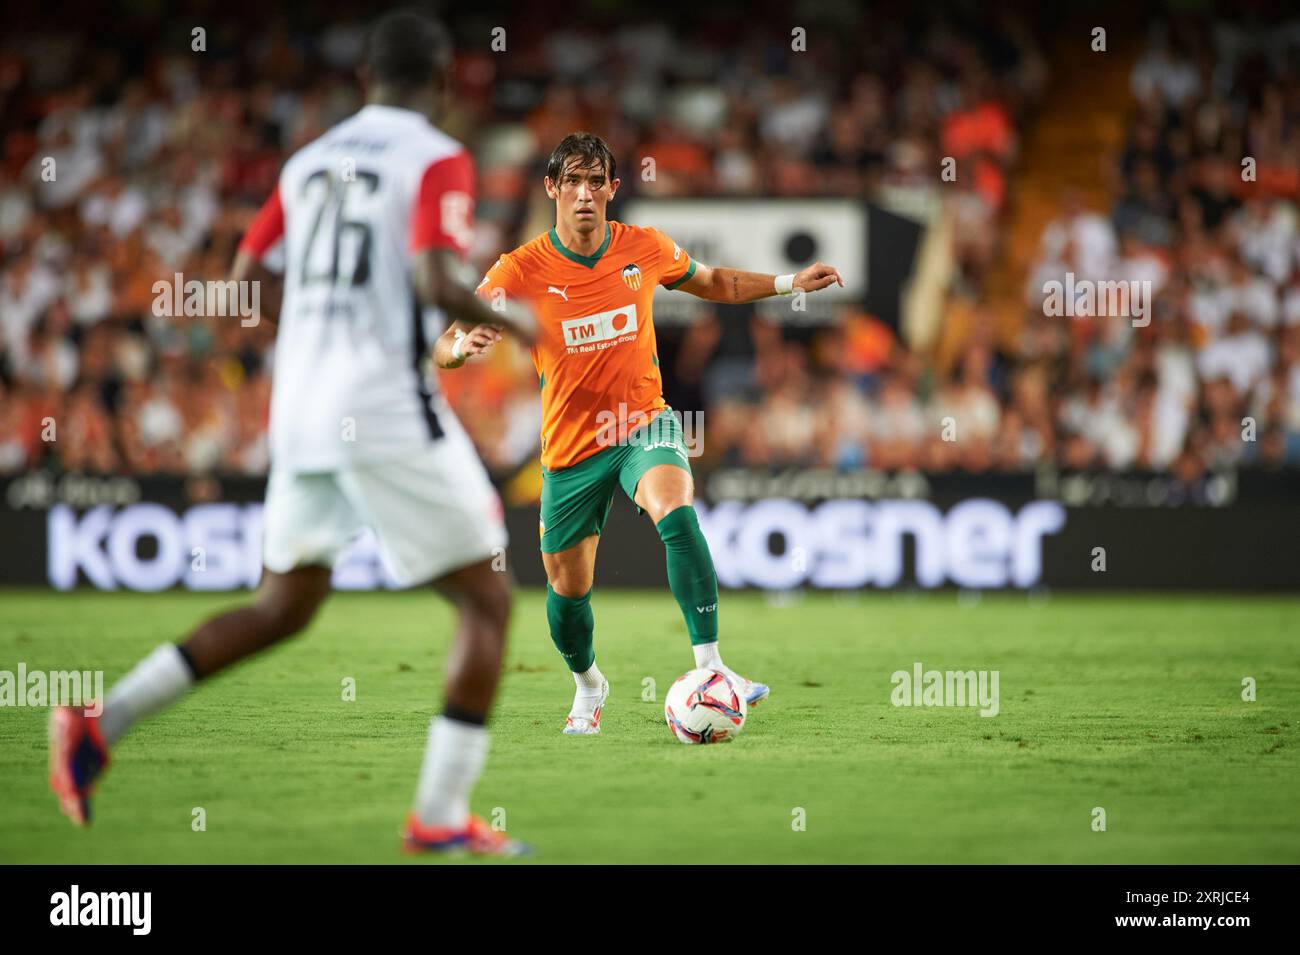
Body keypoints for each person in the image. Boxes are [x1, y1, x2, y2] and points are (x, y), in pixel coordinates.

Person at [48, 10, 537, 857]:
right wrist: (522, 323)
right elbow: (433, 277)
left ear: (362, 81)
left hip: (301, 405)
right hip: (381, 401)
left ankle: (101, 720)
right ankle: (439, 815)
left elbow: (243, 279)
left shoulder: (307, 162)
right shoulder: (436, 157)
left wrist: (318, 329)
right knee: (489, 600)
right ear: (448, 84)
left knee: (284, 604)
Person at [443, 131, 843, 734]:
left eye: (596, 181)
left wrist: (789, 285)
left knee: (677, 514)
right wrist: (459, 346)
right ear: (551, 189)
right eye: (572, 181)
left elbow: (714, 283)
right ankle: (588, 684)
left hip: (640, 423)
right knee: (566, 591)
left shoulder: (644, 247)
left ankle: (712, 668)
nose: (585, 194)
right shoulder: (520, 268)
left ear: (612, 189)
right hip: (571, 448)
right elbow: (447, 338)